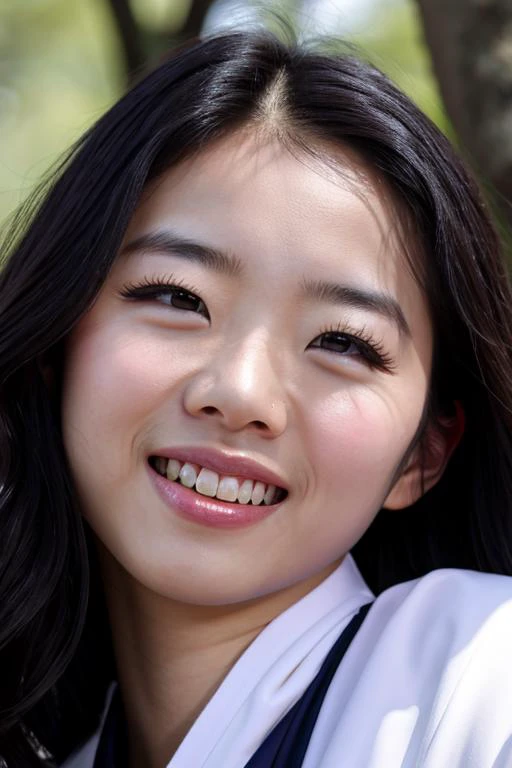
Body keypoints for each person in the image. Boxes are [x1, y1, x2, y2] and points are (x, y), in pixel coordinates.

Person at [2, 26, 512, 768]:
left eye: (342, 342)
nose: (240, 394)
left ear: (424, 453)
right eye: (177, 296)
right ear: (58, 347)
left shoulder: (480, 681)